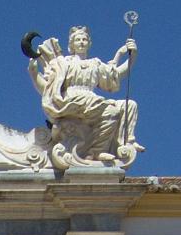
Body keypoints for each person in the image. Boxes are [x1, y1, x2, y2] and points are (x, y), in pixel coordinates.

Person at [35, 25, 138, 161]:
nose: (82, 42)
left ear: (89, 43)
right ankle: (97, 151)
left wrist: (132, 57)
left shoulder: (95, 63)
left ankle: (118, 144)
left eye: (84, 39)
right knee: (111, 111)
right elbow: (48, 87)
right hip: (71, 100)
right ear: (72, 44)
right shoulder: (64, 63)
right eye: (78, 39)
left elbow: (116, 76)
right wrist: (34, 73)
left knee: (128, 105)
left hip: (92, 100)